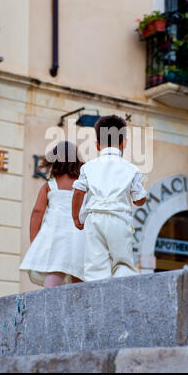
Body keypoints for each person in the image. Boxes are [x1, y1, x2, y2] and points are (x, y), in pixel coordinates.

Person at [72, 115, 147, 282]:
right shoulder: (132, 169)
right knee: (123, 264)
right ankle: (122, 300)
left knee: (95, 266)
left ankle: (97, 303)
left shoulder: (88, 167)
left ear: (97, 145)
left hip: (94, 218)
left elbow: (78, 192)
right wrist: (141, 197)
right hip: (119, 218)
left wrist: (76, 217)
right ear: (124, 143)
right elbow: (139, 199)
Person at [20, 141, 85, 288]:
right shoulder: (82, 184)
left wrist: (34, 241)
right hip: (80, 235)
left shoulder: (49, 186)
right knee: (79, 276)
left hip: (56, 237)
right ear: (77, 162)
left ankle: (48, 306)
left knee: (55, 273)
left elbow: (37, 212)